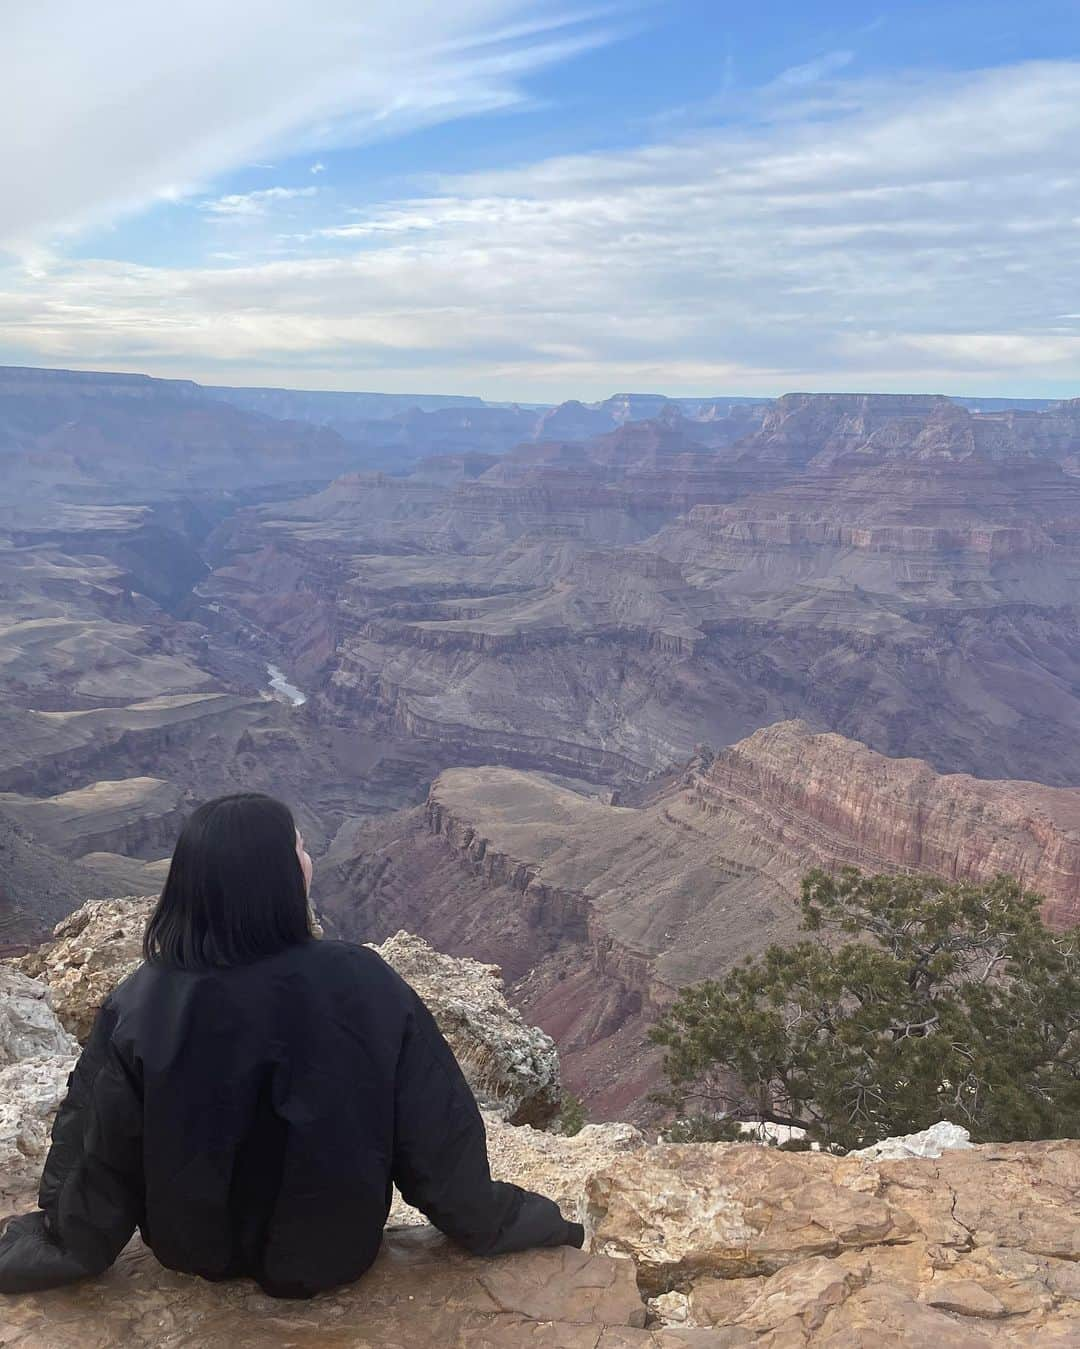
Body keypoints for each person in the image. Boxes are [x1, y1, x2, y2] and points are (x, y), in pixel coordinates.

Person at [0, 792, 583, 1298]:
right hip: (333, 1256)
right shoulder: (365, 981)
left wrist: (61, 1243)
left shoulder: (144, 998)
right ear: (273, 877)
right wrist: (520, 1223)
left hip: (193, 1252)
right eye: (299, 850)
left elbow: (95, 1147)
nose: (309, 860)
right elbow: (438, 1144)